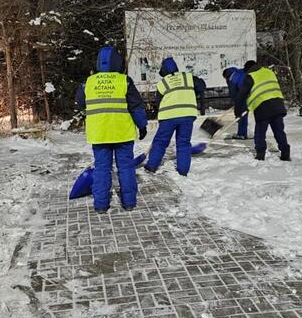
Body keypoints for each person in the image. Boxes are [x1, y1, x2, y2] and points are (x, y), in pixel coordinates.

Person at [75, 46, 148, 212]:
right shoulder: (124, 81)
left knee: (101, 169)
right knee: (126, 167)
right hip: (123, 134)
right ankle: (129, 203)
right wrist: (142, 125)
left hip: (99, 134)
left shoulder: (88, 83)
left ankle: (101, 205)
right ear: (117, 62)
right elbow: (136, 106)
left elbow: (80, 103)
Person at [144, 57, 205, 176]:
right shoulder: (188, 77)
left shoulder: (163, 83)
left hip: (168, 117)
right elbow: (202, 86)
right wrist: (191, 93)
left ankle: (151, 166)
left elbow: (158, 102)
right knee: (184, 143)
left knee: (160, 142)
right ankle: (183, 171)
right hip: (187, 115)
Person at [236, 60, 290, 161]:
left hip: (263, 107)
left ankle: (260, 154)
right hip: (278, 104)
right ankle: (285, 153)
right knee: (279, 131)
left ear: (248, 69)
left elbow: (241, 95)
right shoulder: (269, 72)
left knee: (260, 133)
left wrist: (238, 113)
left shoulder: (250, 76)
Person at [222, 66, 248, 139]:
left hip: (243, 95)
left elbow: (233, 94)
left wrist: (237, 107)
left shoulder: (232, 78)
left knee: (241, 114)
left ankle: (241, 134)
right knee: (245, 113)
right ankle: (243, 133)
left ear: (226, 76)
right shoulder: (241, 72)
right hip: (253, 93)